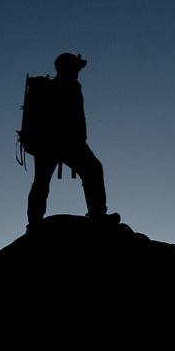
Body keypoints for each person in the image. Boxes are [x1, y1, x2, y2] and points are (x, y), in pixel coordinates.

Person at [26, 52, 119, 231]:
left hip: (47, 144)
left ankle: (34, 222)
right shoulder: (67, 86)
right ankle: (98, 214)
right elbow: (72, 116)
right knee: (93, 169)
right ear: (67, 67)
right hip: (66, 142)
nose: (79, 70)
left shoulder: (55, 86)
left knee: (41, 182)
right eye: (76, 67)